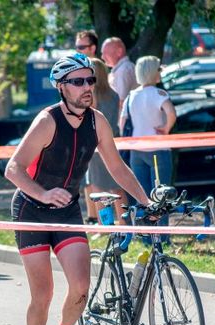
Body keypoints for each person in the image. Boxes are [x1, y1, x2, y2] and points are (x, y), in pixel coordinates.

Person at [4, 53, 151, 325]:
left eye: (90, 80)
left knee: (81, 288)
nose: (87, 87)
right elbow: (12, 168)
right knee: (43, 293)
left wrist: (145, 200)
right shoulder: (47, 121)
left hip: (67, 210)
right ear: (61, 87)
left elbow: (116, 167)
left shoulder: (97, 121)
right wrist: (42, 194)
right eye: (78, 82)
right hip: (32, 210)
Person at [119, 56, 176, 241]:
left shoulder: (131, 96)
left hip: (137, 151)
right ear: (153, 72)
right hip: (158, 149)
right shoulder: (160, 94)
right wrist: (166, 129)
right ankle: (162, 236)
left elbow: (122, 123)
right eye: (158, 69)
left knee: (141, 195)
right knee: (162, 195)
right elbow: (172, 113)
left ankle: (145, 236)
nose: (160, 72)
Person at [87, 57, 128, 219]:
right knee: (117, 186)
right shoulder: (114, 95)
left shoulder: (91, 95)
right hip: (113, 141)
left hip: (96, 144)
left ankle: (107, 225)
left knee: (98, 188)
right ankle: (125, 225)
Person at [76, 30, 99, 223]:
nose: (79, 51)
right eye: (77, 47)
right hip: (80, 130)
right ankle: (91, 217)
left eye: (82, 47)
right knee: (85, 177)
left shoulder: (96, 69)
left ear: (93, 48)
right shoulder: (78, 69)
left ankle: (100, 219)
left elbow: (95, 103)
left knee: (98, 180)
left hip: (95, 129)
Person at [100, 37, 137, 109]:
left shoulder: (123, 70)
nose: (102, 57)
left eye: (105, 53)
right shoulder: (123, 68)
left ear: (119, 52)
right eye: (102, 53)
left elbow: (121, 101)